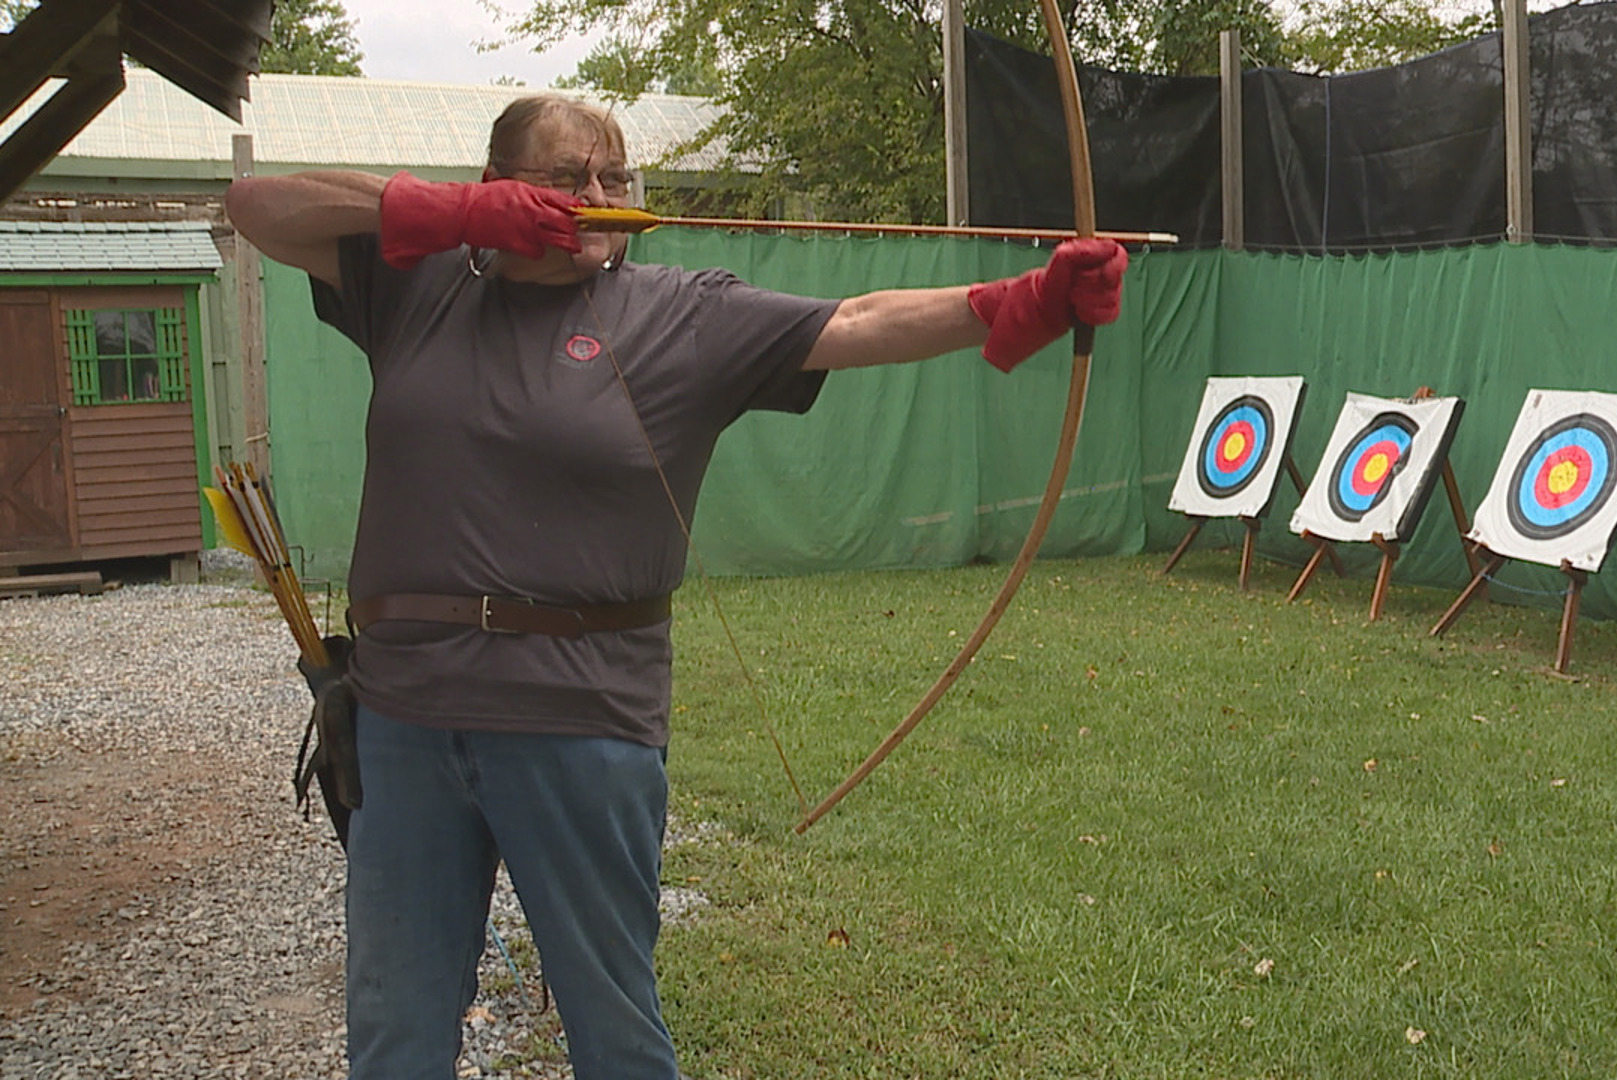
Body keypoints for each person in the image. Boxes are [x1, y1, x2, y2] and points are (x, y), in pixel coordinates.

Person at [223, 93, 1129, 1080]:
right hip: (405, 719)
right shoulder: (418, 286)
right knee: (394, 1027)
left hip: (581, 719)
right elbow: (260, 206)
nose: (600, 198)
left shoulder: (679, 314)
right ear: (500, 187)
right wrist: (454, 219)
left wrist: (1025, 301)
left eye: (615, 179)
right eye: (569, 178)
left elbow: (857, 321)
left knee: (613, 1025)